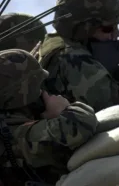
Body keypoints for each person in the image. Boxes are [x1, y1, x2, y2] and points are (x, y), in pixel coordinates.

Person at [0, 49, 98, 185]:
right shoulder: (15, 136)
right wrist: (64, 109)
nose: (44, 92)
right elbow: (81, 123)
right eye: (39, 86)